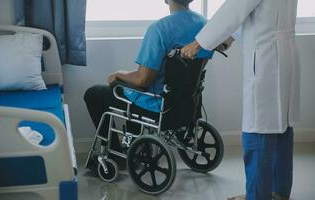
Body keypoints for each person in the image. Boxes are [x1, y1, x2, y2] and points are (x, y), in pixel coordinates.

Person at [181, 0, 300, 200]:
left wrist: (198, 43)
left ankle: (257, 195)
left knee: (258, 131)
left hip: (266, 58)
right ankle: (278, 192)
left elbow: (234, 8)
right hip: (284, 52)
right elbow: (258, 13)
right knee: (281, 128)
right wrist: (230, 37)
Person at [84, 0, 214, 170]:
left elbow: (142, 79)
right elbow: (198, 68)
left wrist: (117, 74)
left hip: (159, 105)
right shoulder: (205, 25)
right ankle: (136, 144)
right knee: (130, 88)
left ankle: (116, 154)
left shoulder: (160, 29)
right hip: (187, 102)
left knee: (96, 93)